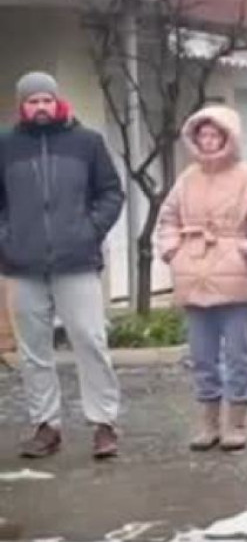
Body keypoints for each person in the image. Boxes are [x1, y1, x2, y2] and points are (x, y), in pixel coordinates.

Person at [1, 71, 125, 460]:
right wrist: (7, 239)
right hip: (23, 265)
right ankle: (46, 426)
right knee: (33, 350)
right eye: (33, 101)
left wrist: (89, 230)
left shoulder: (87, 142)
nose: (41, 107)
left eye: (46, 100)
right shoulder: (6, 146)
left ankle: (104, 423)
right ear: (22, 105)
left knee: (90, 341)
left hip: (77, 262)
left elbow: (111, 192)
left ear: (57, 101)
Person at [156, 105, 247, 452]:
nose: (208, 141)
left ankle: (236, 421)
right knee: (202, 355)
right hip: (193, 273)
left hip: (236, 275)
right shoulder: (187, 178)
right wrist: (172, 250)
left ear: (228, 137)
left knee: (237, 354)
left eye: (214, 135)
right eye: (202, 135)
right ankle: (208, 420)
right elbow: (168, 218)